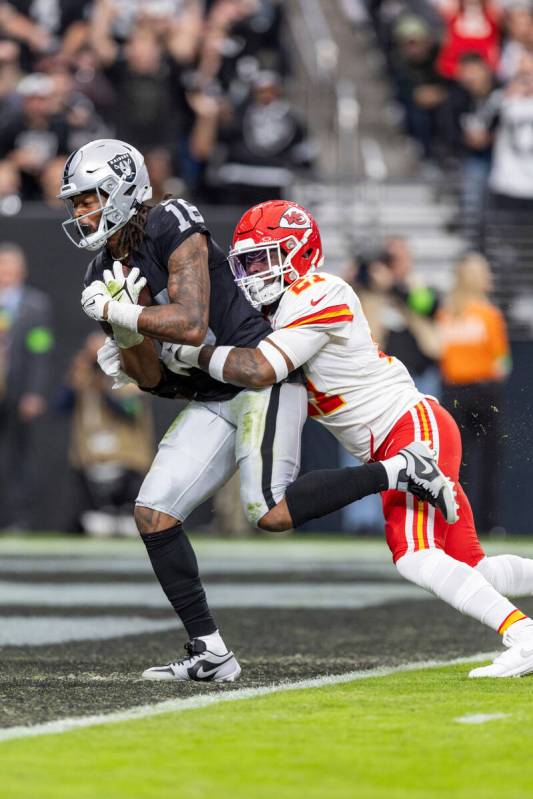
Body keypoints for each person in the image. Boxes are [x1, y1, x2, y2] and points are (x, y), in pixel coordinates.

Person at [61, 138, 447, 682]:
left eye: (88, 198)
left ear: (124, 188)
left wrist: (123, 310)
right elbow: (149, 377)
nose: (82, 212)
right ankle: (211, 651)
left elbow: (192, 323)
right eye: (75, 203)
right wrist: (126, 331)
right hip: (211, 394)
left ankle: (400, 469)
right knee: (153, 513)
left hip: (257, 374)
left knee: (271, 513)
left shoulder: (172, 219)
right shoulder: (98, 276)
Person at [163, 199, 533, 679]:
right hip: (404, 434)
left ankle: (523, 635)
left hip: (409, 429)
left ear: (299, 253)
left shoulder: (319, 291)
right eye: (247, 261)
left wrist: (191, 352)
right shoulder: (276, 313)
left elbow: (262, 368)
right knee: (471, 571)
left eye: (263, 258)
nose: (253, 271)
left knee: (415, 556)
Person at [438, 253, 511, 533]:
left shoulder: (452, 312)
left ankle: (465, 522)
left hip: (465, 392)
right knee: (476, 462)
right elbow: (502, 362)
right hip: (476, 391)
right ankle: (484, 524)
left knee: (467, 461)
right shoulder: (483, 314)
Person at [57, 331, 154, 536]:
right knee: (86, 522)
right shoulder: (83, 380)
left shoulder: (128, 377)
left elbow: (130, 411)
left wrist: (105, 384)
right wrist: (77, 376)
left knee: (130, 523)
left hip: (126, 459)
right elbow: (60, 406)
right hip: (89, 459)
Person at [0, 242, 53, 529]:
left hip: (18, 390)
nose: (5, 273)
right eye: (1, 267)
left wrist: (33, 392)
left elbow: (40, 351)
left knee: (19, 456)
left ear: (21, 271)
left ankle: (18, 518)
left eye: (10, 267)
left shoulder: (35, 307)